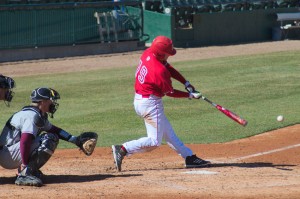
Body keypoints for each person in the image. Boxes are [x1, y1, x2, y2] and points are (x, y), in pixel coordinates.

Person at [112, 35, 211, 172]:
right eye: (167, 53)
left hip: (141, 100)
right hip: (150, 105)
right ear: (160, 53)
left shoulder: (149, 53)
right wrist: (189, 95)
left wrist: (185, 82)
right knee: (154, 142)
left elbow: (168, 67)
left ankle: (189, 157)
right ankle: (123, 149)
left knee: (169, 134)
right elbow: (170, 92)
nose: (169, 56)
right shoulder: (158, 71)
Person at [0, 87, 82, 187]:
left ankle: (29, 170)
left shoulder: (36, 114)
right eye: (51, 100)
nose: (53, 103)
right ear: (43, 102)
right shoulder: (31, 116)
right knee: (49, 138)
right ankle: (26, 173)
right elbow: (25, 141)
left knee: (52, 135)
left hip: (9, 152)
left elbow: (54, 129)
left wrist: (75, 140)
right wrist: (25, 165)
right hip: (7, 155)